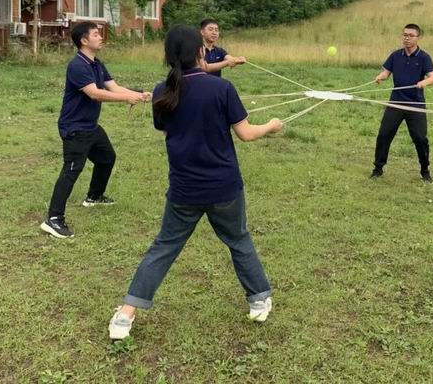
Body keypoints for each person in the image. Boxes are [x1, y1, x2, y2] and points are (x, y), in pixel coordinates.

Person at [109, 25, 283, 340]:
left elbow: (168, 129)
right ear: (200, 51)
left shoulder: (163, 90)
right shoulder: (221, 88)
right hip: (223, 187)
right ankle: (258, 300)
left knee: (164, 247)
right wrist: (271, 125)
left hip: (184, 188)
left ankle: (126, 314)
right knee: (238, 240)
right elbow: (246, 134)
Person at [40, 22, 149, 239]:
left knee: (106, 158)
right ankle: (53, 218)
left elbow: (114, 87)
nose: (101, 37)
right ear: (84, 40)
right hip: (75, 128)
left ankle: (94, 196)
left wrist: (138, 94)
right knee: (71, 170)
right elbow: (95, 93)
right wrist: (126, 98)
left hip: (90, 126)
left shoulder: (96, 64)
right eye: (96, 34)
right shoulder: (77, 66)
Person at [370, 23, 433, 182]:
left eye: (411, 35)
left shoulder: (424, 57)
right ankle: (378, 168)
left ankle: (425, 170)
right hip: (396, 102)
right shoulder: (395, 55)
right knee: (384, 134)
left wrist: (423, 83)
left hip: (415, 104)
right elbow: (386, 72)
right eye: (405, 35)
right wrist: (380, 77)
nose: (407, 38)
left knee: (420, 138)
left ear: (417, 38)